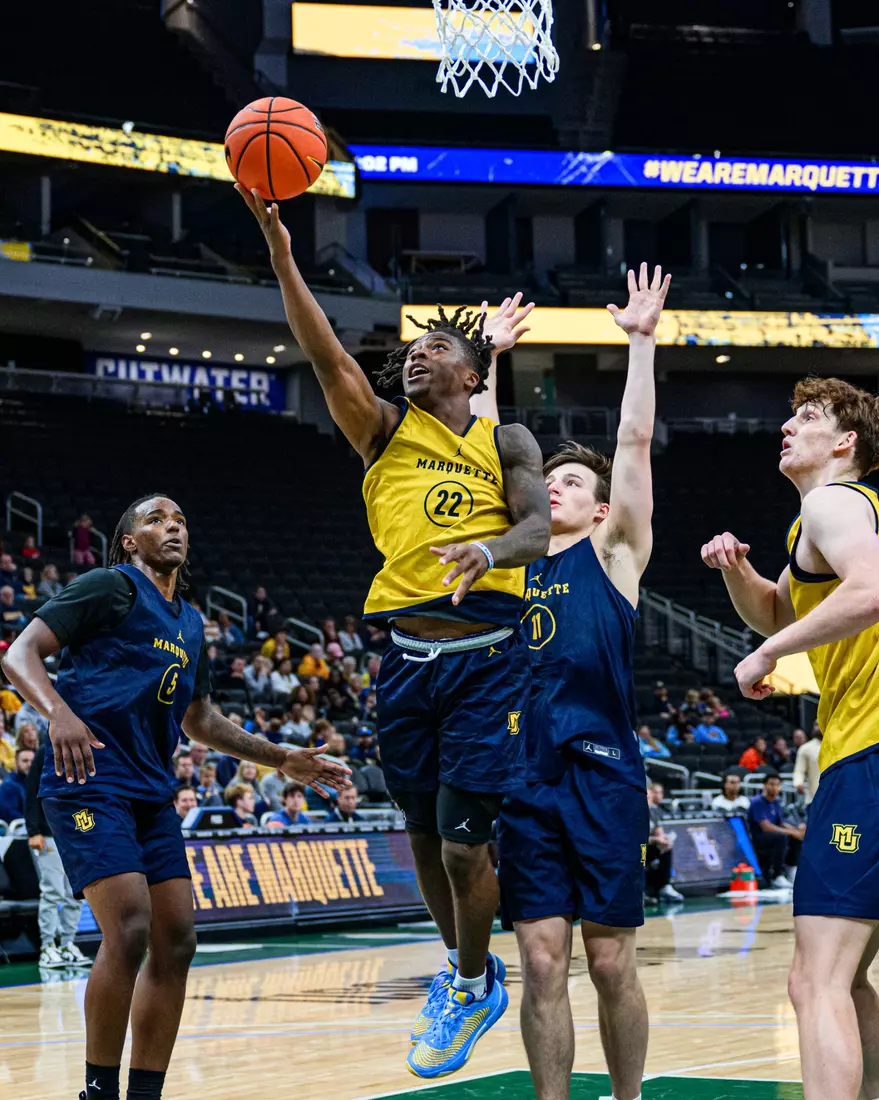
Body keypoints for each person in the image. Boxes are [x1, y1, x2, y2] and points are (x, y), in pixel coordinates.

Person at [238, 183, 550, 1079]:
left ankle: (465, 975)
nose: (417, 357)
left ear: (471, 374)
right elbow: (323, 349)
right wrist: (284, 257)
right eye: (411, 349)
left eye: (438, 347)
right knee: (417, 826)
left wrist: (489, 553)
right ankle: (471, 978)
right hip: (403, 655)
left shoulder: (507, 443)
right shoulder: (379, 433)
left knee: (462, 843)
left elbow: (538, 529)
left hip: (488, 654)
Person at [0, 493, 349, 1100]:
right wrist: (57, 712)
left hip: (150, 790)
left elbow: (201, 721)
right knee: (130, 927)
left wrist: (282, 758)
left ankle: (145, 1094)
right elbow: (18, 653)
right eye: (156, 519)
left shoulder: (190, 622)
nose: (173, 527)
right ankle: (99, 1090)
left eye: (182, 519)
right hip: (89, 777)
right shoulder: (109, 586)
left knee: (178, 939)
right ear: (130, 540)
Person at [492, 265, 671, 1100]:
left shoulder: (613, 555)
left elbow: (631, 445)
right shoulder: (510, 559)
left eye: (570, 483)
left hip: (601, 773)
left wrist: (639, 344)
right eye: (549, 479)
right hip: (525, 779)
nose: (553, 486)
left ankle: (627, 1096)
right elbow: (489, 448)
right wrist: (490, 359)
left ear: (601, 511)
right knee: (537, 958)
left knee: (607, 959)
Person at [700, 376, 879, 1100]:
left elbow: (868, 592)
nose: (786, 425)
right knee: (849, 973)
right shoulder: (830, 519)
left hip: (866, 753)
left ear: (844, 443)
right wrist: (737, 572)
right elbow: (779, 610)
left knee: (815, 979)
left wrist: (770, 657)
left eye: (806, 417)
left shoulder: (832, 504)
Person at [26, 742, 90, 968]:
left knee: (78, 894)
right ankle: (47, 946)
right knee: (53, 891)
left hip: (76, 832)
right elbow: (32, 790)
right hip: (48, 832)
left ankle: (66, 944)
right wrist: (33, 830)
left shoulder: (85, 749)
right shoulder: (45, 752)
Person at [748, 773, 804, 888]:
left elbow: (781, 823)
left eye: (777, 785)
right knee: (781, 837)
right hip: (759, 836)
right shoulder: (757, 801)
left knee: (797, 837)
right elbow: (766, 826)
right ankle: (777, 875)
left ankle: (791, 871)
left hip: (773, 835)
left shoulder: (776, 801)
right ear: (764, 785)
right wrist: (791, 832)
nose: (774, 787)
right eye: (771, 784)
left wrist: (797, 831)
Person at [646, 782, 684, 904]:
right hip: (633, 850)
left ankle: (665, 887)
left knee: (666, 848)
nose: (649, 800)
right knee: (641, 851)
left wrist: (664, 839)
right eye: (646, 797)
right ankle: (638, 892)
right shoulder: (634, 813)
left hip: (646, 847)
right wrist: (655, 840)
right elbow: (634, 839)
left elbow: (659, 832)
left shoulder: (654, 812)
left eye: (650, 797)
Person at [0, 745, 33, 821]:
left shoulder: (35, 783)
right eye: (25, 761)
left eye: (32, 761)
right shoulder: (9, 786)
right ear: (16, 763)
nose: (30, 764)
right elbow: (9, 814)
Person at [793, 724, 823, 809]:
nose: (817, 727)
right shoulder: (805, 748)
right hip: (814, 797)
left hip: (836, 797)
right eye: (816, 725)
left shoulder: (837, 745)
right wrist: (798, 783)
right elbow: (799, 770)